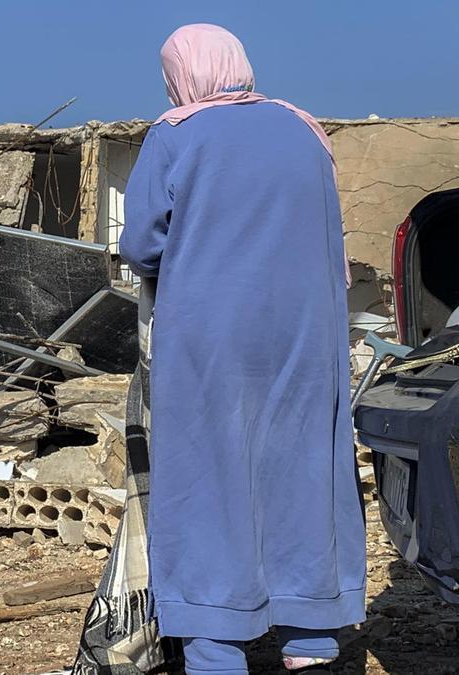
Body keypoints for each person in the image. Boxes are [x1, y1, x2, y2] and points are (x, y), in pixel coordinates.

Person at [117, 24, 366, 674]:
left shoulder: (175, 131)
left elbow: (141, 245)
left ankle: (215, 646)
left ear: (181, 74)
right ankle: (310, 638)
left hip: (210, 336)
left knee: (208, 475)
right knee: (303, 463)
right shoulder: (304, 128)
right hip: (307, 332)